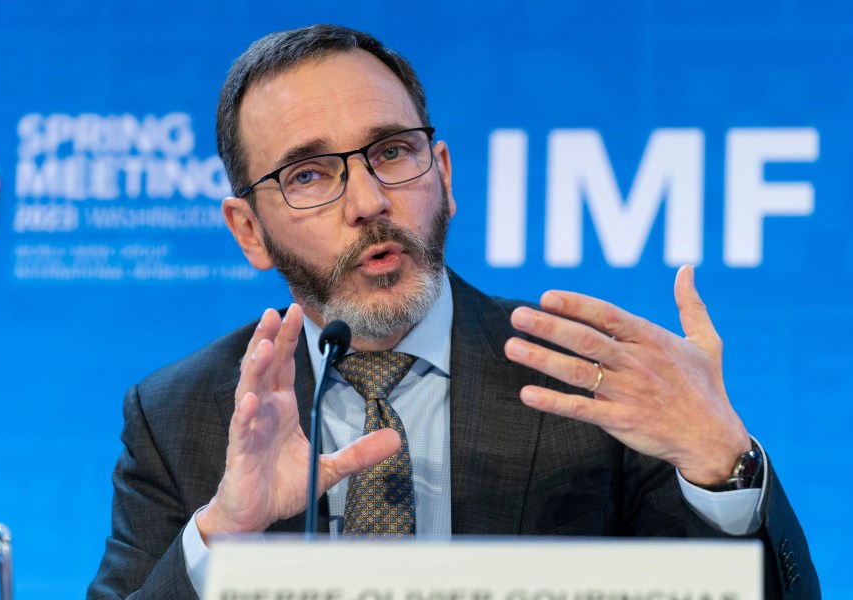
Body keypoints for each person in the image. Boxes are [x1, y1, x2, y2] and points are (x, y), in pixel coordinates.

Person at [87, 24, 819, 599]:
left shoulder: (589, 379)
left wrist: (725, 468)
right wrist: (223, 536)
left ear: (441, 174)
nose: (369, 201)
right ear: (249, 231)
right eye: (309, 174)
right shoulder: (178, 414)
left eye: (393, 153)